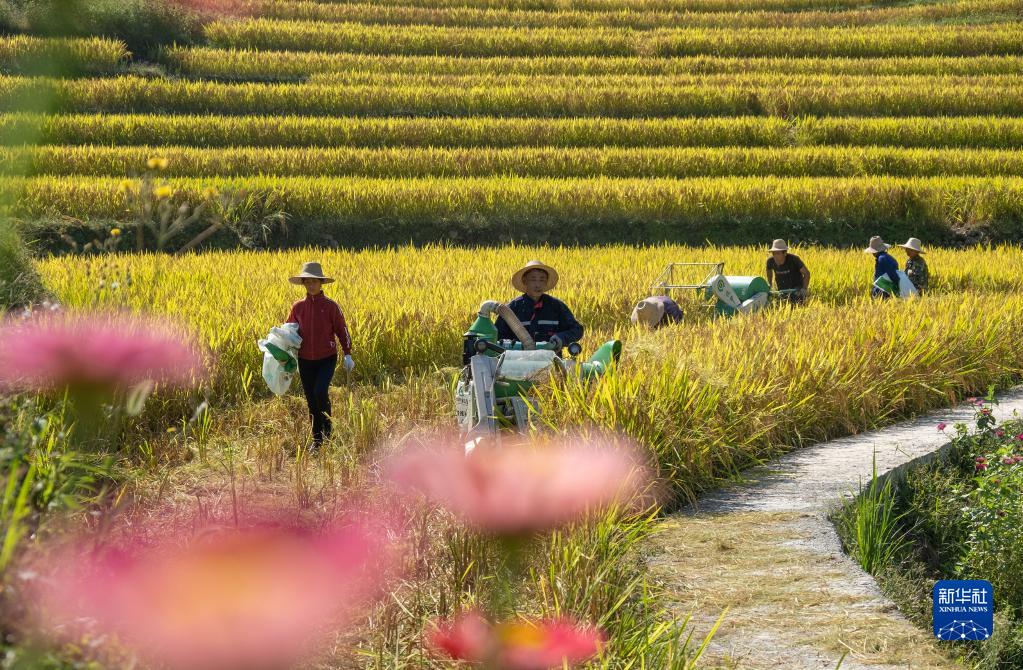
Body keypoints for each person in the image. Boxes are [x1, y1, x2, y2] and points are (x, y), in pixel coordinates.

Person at [286, 261, 354, 453]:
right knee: (310, 399)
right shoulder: (298, 307)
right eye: (307, 282)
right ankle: (317, 440)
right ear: (304, 283)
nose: (311, 285)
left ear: (321, 283)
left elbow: (342, 330)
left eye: (314, 281)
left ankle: (328, 431)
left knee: (320, 392)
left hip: (327, 358)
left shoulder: (331, 306)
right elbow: (289, 330)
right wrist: (280, 348)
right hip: (305, 360)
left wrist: (347, 353)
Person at [496, 260, 583, 353]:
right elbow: (497, 337)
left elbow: (577, 330)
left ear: (546, 282)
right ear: (525, 281)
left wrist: (560, 338)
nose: (538, 285)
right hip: (519, 362)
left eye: (542, 280)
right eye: (533, 279)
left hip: (551, 361)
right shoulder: (512, 308)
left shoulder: (556, 306)